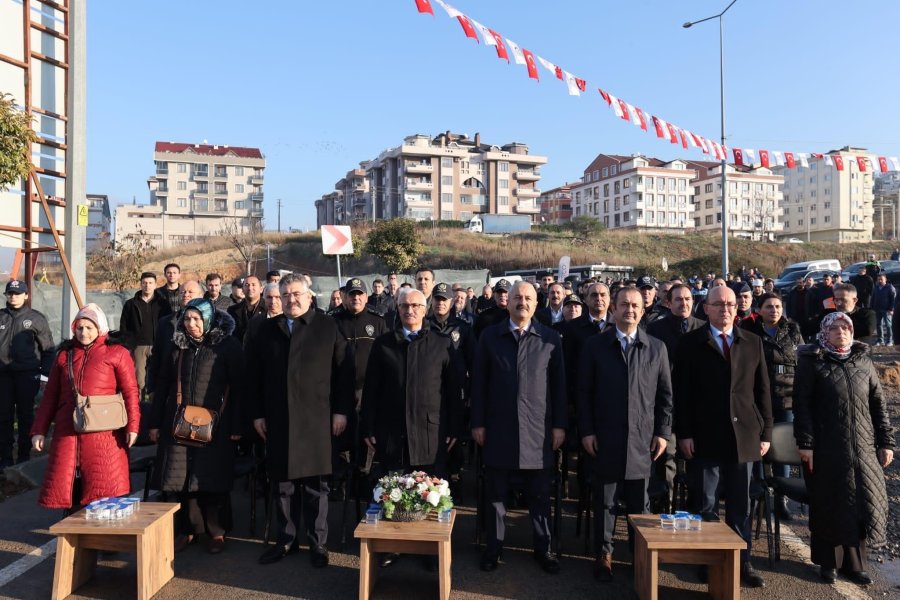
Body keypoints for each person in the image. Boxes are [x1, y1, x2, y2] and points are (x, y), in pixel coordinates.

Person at [250, 274, 352, 567]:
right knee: (283, 484)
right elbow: (253, 377)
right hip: (279, 419)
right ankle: (287, 540)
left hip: (317, 420)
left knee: (315, 486)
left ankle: (318, 543)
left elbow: (344, 374)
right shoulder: (267, 330)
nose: (290, 300)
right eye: (285, 295)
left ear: (309, 296)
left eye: (296, 294)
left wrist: (341, 411)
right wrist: (257, 414)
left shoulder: (328, 326)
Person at [674, 285, 772, 588]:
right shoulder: (690, 343)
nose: (726, 309)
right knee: (706, 505)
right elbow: (682, 393)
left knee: (741, 505)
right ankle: (708, 559)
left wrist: (766, 431)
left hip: (744, 436)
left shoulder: (753, 342)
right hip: (704, 437)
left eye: (730, 304)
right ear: (706, 308)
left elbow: (763, 391)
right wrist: (685, 433)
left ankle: (742, 561)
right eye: (718, 304)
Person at [361, 287, 462, 567]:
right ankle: (394, 545)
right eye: (404, 305)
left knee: (430, 490)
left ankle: (429, 547)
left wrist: (455, 427)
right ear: (397, 307)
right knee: (395, 489)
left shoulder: (442, 344)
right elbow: (371, 390)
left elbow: (454, 391)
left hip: (431, 431)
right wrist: (367, 426)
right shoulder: (383, 344)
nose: (410, 310)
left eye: (416, 305)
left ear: (425, 307)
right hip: (392, 431)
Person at [471, 281, 566, 575]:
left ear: (537, 304)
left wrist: (560, 426)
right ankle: (494, 548)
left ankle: (543, 548)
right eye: (517, 298)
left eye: (528, 298)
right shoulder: (490, 337)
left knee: (539, 496)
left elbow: (559, 387)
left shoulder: (550, 339)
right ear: (507, 302)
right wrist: (478, 423)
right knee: (496, 495)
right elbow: (479, 384)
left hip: (539, 431)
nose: (522, 302)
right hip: (499, 428)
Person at [577, 286, 672, 582]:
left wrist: (662, 433)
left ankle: (638, 554)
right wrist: (587, 431)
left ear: (643, 311)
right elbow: (583, 394)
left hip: (643, 439)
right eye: (624, 305)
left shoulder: (657, 348)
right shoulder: (595, 345)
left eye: (635, 305)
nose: (629, 310)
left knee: (639, 504)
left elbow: (665, 396)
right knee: (605, 501)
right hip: (605, 436)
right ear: (613, 309)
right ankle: (604, 553)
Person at [794, 312, 894, 585]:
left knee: (860, 502)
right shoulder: (812, 362)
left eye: (845, 327)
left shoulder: (863, 361)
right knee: (829, 502)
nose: (841, 332)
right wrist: (806, 444)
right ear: (825, 332)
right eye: (835, 328)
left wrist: (886, 442)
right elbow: (801, 406)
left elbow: (879, 405)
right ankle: (829, 563)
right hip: (826, 447)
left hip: (862, 446)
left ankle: (855, 564)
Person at [149, 299, 245, 554]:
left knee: (211, 479)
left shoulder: (228, 346)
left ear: (208, 319)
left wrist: (237, 425)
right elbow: (163, 386)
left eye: (197, 319)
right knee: (181, 479)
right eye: (187, 319)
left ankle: (217, 531)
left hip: (216, 424)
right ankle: (188, 530)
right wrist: (156, 422)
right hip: (178, 421)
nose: (191, 325)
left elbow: (239, 388)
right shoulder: (177, 346)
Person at [30, 304, 140, 508]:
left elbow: (131, 392)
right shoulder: (64, 356)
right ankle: (74, 534)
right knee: (70, 489)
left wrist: (133, 426)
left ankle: (102, 537)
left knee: (104, 491)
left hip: (106, 433)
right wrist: (39, 430)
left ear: (100, 328)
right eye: (79, 327)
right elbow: (50, 397)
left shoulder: (117, 353)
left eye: (89, 327)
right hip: (68, 431)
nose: (84, 332)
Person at [740, 292, 803, 520]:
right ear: (759, 309)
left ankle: (780, 498)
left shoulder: (793, 331)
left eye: (777, 306)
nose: (774, 310)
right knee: (757, 448)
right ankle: (758, 495)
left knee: (782, 448)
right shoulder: (749, 331)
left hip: (787, 398)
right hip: (758, 400)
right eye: (769, 307)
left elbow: (802, 361)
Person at [331, 278, 387, 492]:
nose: (356, 298)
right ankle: (340, 480)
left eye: (359, 294)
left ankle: (363, 477)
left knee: (366, 434)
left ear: (366, 296)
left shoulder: (378, 321)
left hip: (368, 390)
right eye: (351, 294)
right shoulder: (332, 321)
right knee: (339, 434)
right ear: (344, 296)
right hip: (339, 389)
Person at [0, 280, 55, 467]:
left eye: (17, 293)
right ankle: (5, 459)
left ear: (26, 295)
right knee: (4, 416)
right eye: (10, 294)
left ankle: (23, 458)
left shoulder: (36, 318)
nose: (13, 297)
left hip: (27, 375)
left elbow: (48, 350)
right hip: (3, 376)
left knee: (25, 415)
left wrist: (45, 376)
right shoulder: (1, 317)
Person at [119, 272, 171, 400]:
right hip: (138, 347)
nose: (147, 286)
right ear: (140, 284)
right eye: (145, 283)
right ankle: (139, 405)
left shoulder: (163, 303)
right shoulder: (131, 304)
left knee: (157, 377)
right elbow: (124, 326)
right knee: (139, 379)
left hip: (157, 345)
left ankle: (155, 404)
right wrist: (127, 345)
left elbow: (169, 324)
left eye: (150, 283)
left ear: (155, 284)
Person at [145, 281, 203, 392]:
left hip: (199, 386)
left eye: (190, 292)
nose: (185, 294)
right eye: (182, 292)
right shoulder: (166, 322)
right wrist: (152, 387)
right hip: (169, 386)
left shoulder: (212, 322)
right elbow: (156, 356)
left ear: (201, 296)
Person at [227, 276, 265, 342]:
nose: (250, 288)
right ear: (243, 289)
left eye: (253, 285)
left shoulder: (268, 308)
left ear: (261, 289)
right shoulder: (232, 310)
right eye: (247, 285)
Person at [872, 274, 896, 346]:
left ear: (885, 279)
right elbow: (873, 298)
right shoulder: (876, 287)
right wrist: (872, 307)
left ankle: (890, 340)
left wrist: (891, 309)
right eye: (878, 279)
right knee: (878, 325)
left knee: (888, 325)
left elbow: (893, 299)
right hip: (877, 309)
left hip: (887, 309)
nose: (880, 281)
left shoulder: (890, 287)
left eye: (881, 279)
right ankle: (880, 340)